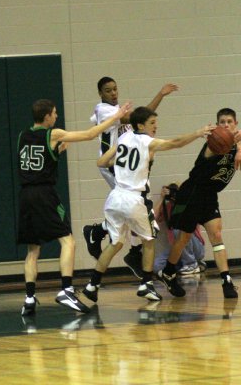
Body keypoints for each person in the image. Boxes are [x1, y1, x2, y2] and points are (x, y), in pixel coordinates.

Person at [81, 107, 212, 304]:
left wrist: (122, 166)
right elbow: (175, 143)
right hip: (134, 198)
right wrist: (198, 133)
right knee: (149, 240)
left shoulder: (123, 138)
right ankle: (146, 284)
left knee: (115, 243)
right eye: (152, 123)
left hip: (115, 197)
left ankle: (92, 285)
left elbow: (101, 162)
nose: (155, 126)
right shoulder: (147, 142)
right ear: (140, 125)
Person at [17, 98, 131, 316]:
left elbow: (35, 161)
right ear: (47, 116)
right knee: (68, 241)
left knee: (33, 249)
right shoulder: (54, 134)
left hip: (25, 195)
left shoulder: (22, 135)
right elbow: (89, 134)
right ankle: (66, 290)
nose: (57, 116)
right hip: (44, 194)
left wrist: (55, 154)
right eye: (55, 113)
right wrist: (116, 117)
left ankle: (29, 298)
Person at [83, 79, 179, 277]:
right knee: (133, 205)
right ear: (100, 93)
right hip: (114, 164)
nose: (113, 93)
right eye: (108, 90)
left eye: (115, 89)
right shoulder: (105, 110)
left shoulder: (111, 109)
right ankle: (101, 233)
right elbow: (138, 118)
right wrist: (160, 94)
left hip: (122, 162)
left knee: (130, 209)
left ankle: (126, 247)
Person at [158, 108, 241, 299]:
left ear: (235, 123)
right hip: (192, 194)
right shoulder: (214, 142)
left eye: (229, 122)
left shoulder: (234, 145)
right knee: (184, 238)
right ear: (217, 125)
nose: (226, 125)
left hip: (209, 195)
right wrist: (239, 142)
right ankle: (168, 272)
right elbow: (229, 142)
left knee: (216, 235)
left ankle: (226, 280)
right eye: (222, 122)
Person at [153, 183, 205, 275]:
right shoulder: (167, 206)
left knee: (179, 228)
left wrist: (183, 198)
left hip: (194, 246)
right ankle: (185, 265)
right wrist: (162, 199)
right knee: (157, 266)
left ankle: (191, 264)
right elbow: (152, 219)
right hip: (176, 247)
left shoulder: (189, 203)